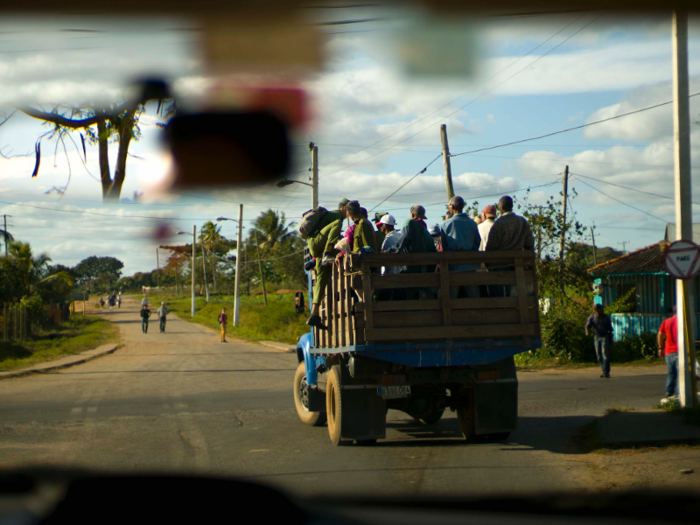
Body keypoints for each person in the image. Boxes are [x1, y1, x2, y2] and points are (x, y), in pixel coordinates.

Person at [306, 202, 345, 330]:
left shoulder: (334, 216)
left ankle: (314, 315)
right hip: (317, 244)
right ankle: (328, 252)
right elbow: (333, 233)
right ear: (343, 207)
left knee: (321, 279)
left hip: (317, 249)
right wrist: (330, 250)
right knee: (337, 224)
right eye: (348, 210)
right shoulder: (337, 215)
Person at [485, 196, 534, 297]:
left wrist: (489, 265)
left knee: (499, 292)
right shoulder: (522, 221)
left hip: (501, 266)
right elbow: (530, 243)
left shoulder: (499, 223)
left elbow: (491, 247)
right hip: (519, 265)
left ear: (501, 207)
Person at [440, 196, 481, 299]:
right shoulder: (472, 223)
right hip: (470, 266)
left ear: (452, 206)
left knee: (451, 297)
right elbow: (477, 242)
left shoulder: (446, 224)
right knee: (474, 296)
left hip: (453, 266)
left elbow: (444, 246)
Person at [585, 304, 614, 378]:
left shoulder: (606, 317)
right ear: (596, 311)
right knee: (599, 356)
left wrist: (611, 338)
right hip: (597, 337)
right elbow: (587, 326)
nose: (602, 311)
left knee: (605, 354)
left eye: (602, 309)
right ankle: (604, 370)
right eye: (600, 310)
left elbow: (610, 329)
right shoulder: (592, 317)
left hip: (605, 337)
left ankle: (606, 372)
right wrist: (587, 332)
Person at [658, 307, 678, 400]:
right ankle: (679, 393)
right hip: (679, 351)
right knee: (680, 374)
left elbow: (660, 334)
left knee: (671, 373)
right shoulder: (681, 321)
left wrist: (660, 348)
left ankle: (669, 392)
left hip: (668, 351)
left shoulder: (666, 321)